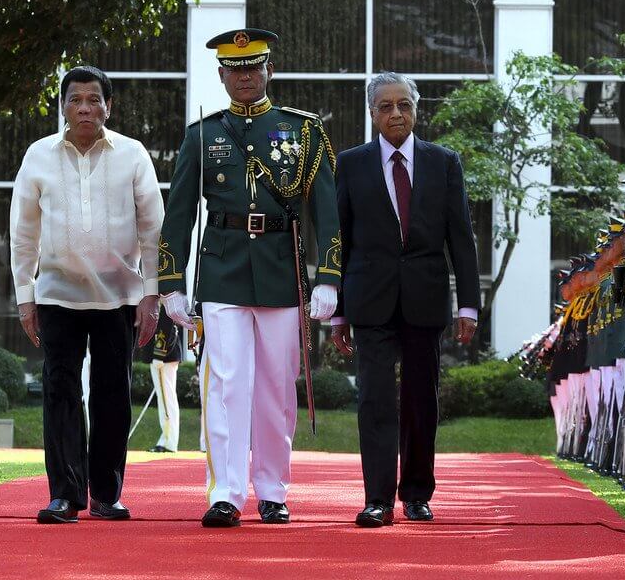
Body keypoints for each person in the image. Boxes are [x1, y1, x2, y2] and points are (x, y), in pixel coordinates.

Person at [159, 28, 341, 528]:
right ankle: (225, 492)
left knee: (277, 387)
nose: (245, 76)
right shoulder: (203, 133)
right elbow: (177, 214)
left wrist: (327, 276)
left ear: (269, 71)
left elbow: (325, 208)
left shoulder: (302, 131)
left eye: (253, 67)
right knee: (226, 384)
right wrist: (171, 283)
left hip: (282, 269)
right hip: (222, 270)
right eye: (235, 69)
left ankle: (273, 489)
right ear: (221, 76)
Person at [10, 66, 164, 524]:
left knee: (113, 394)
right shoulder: (38, 155)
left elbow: (153, 230)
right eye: (75, 99)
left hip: (120, 296)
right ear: (63, 106)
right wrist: (25, 295)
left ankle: (106, 495)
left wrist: (151, 295)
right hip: (56, 294)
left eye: (94, 99)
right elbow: (23, 233)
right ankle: (65, 494)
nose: (84, 108)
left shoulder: (133, 154)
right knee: (59, 391)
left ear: (108, 106)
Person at [329, 71, 482, 528]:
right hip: (369, 301)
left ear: (417, 110)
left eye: (404, 105)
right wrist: (337, 311)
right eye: (386, 106)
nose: (396, 113)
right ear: (372, 113)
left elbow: (463, 238)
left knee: (421, 400)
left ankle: (416, 493)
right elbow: (341, 238)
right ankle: (377, 498)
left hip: (426, 299)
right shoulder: (351, 164)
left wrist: (468, 306)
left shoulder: (444, 163)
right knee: (375, 400)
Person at [142, 313, 183, 454]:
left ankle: (169, 441)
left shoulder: (162, 295)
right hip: (165, 354)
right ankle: (167, 439)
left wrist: (159, 354)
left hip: (164, 356)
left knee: (166, 400)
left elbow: (165, 325)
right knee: (166, 399)